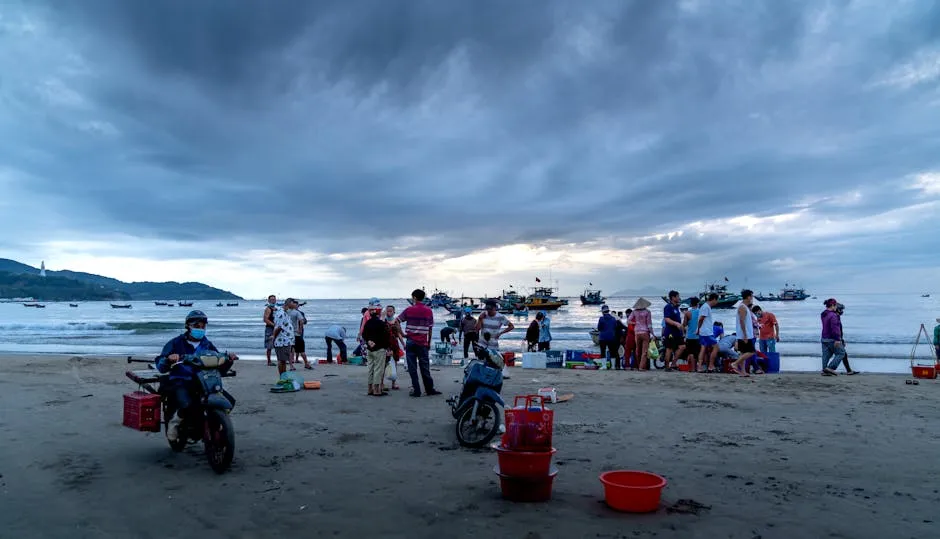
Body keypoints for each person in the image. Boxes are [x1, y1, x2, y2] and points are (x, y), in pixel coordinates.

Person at [155, 310, 237, 442]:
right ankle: (175, 422)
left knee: (230, 401)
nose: (200, 329)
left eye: (203, 326)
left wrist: (228, 359)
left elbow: (218, 367)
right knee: (186, 404)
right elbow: (160, 365)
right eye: (197, 326)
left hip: (204, 381)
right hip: (182, 380)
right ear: (188, 326)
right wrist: (169, 359)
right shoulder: (176, 343)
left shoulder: (207, 344)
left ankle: (214, 423)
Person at [397, 289, 440, 397]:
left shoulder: (409, 309)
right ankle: (429, 389)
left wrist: (402, 333)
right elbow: (430, 328)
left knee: (412, 368)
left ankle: (417, 390)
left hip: (411, 341)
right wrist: (429, 342)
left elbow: (396, 321)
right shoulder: (428, 311)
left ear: (415, 298)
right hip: (422, 343)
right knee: (425, 367)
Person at [476, 299, 515, 378]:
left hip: (493, 344)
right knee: (482, 362)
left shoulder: (500, 317)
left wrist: (501, 333)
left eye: (490, 309)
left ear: (495, 308)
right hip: (482, 343)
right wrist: (480, 319)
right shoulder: (483, 315)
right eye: (487, 309)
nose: (488, 311)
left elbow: (511, 326)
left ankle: (494, 376)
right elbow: (477, 329)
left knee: (495, 362)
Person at [361, 304, 390, 396]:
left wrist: (369, 341)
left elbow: (364, 334)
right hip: (379, 348)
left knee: (371, 368)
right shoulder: (382, 323)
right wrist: (387, 347)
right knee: (378, 369)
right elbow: (385, 336)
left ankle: (370, 388)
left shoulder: (368, 322)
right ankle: (377, 390)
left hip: (370, 349)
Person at [730, 290, 757, 377]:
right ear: (748, 297)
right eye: (751, 296)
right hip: (744, 335)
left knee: (743, 353)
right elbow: (742, 321)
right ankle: (735, 363)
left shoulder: (744, 306)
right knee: (752, 351)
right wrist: (745, 335)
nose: (752, 298)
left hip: (744, 334)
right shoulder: (742, 307)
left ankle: (743, 372)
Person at [270, 298, 297, 375]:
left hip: (286, 340)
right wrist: (274, 337)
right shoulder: (281, 313)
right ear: (289, 303)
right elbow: (278, 327)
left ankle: (283, 377)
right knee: (281, 360)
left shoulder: (285, 313)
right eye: (293, 303)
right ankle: (282, 378)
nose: (295, 305)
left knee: (284, 360)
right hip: (281, 341)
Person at [820, 298, 846, 376]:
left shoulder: (823, 314)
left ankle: (824, 370)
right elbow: (835, 328)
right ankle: (831, 368)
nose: (836, 307)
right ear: (832, 305)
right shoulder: (833, 315)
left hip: (824, 338)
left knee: (826, 355)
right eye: (835, 305)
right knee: (841, 353)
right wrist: (838, 339)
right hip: (831, 338)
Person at [696, 293, 720, 372]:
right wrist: (698, 329)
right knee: (716, 347)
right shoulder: (706, 307)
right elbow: (701, 319)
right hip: (706, 332)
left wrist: (699, 329)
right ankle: (710, 365)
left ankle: (699, 367)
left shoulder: (705, 306)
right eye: (717, 300)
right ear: (713, 299)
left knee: (703, 349)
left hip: (704, 331)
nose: (717, 302)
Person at [628, 298, 654, 370]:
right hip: (645, 332)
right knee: (644, 351)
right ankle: (641, 367)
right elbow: (649, 324)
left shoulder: (634, 312)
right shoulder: (647, 312)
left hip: (637, 332)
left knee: (638, 350)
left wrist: (635, 323)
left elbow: (628, 320)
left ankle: (638, 365)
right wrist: (652, 333)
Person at [662, 291, 685, 371]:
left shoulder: (676, 307)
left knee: (682, 347)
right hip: (670, 332)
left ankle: (673, 363)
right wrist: (676, 324)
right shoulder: (668, 307)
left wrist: (682, 327)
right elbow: (667, 319)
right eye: (678, 296)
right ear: (673, 297)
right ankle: (667, 366)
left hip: (677, 332)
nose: (679, 298)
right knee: (669, 349)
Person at [384, 305, 404, 391]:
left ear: (394, 312)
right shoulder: (383, 321)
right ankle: (382, 383)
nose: (389, 312)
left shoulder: (396, 321)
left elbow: (399, 334)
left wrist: (403, 344)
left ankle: (393, 383)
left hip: (395, 344)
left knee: (394, 364)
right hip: (385, 344)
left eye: (390, 311)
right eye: (387, 311)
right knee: (384, 364)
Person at [288, 302, 313, 370]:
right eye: (295, 305)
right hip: (295, 333)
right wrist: (300, 329)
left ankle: (295, 362)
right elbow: (302, 321)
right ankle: (303, 363)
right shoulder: (294, 312)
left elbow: (304, 321)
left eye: (297, 305)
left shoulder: (296, 312)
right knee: (297, 349)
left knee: (294, 348)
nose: (296, 306)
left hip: (292, 333)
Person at [596, 305, 620, 369]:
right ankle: (613, 366)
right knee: (612, 351)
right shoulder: (613, 318)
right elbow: (615, 327)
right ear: (608, 311)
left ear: (603, 312)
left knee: (603, 351)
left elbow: (599, 328)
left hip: (603, 337)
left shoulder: (601, 319)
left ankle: (604, 366)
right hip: (611, 337)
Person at [263, 294, 277, 366]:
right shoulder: (268, 309)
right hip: (270, 328)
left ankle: (281, 359)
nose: (273, 300)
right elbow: (265, 319)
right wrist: (274, 325)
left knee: (278, 344)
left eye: (274, 299)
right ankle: (269, 361)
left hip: (276, 328)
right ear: (268, 300)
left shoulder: (276, 308)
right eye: (271, 299)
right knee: (269, 345)